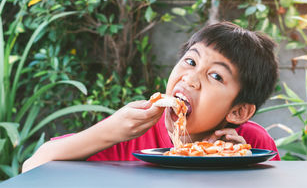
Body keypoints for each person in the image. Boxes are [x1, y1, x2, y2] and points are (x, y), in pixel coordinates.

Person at [22, 21, 280, 172]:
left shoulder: (250, 145)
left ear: (238, 111)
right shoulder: (131, 133)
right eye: (190, 61)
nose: (190, 78)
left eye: (215, 76)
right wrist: (112, 130)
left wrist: (240, 169)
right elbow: (33, 167)